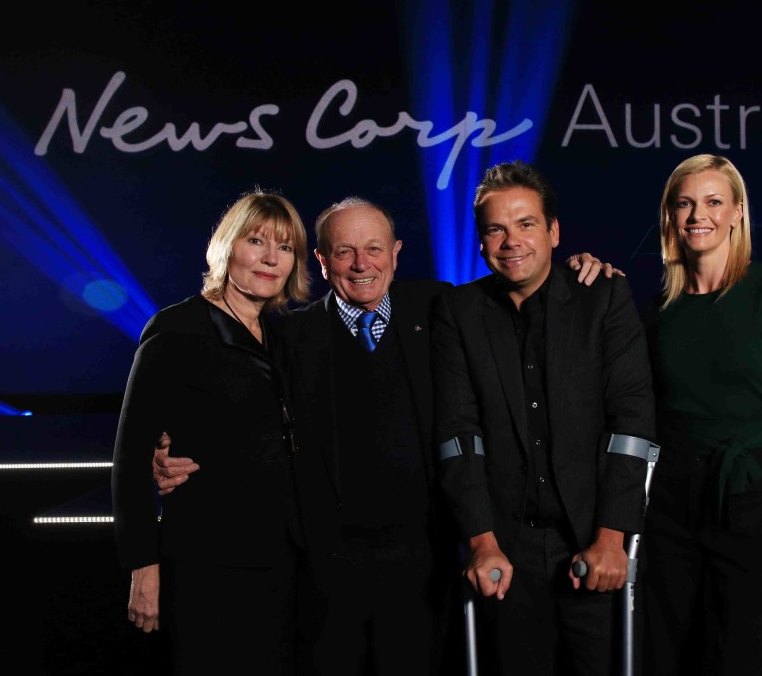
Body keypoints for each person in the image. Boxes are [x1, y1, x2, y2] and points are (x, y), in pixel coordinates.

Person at [152, 194, 620, 676]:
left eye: (374, 249)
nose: (361, 265)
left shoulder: (442, 307)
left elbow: (520, 281)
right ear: (321, 259)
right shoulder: (288, 335)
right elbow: (244, 413)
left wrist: (578, 271)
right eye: (344, 252)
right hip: (326, 568)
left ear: (396, 253)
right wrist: (174, 447)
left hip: (425, 561)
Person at [431, 159, 657, 676]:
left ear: (554, 231)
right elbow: (457, 434)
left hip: (592, 539)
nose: (512, 241)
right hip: (503, 546)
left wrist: (612, 536)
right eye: (496, 229)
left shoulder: (603, 297)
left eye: (526, 224)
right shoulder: (458, 311)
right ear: (481, 241)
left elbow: (633, 423)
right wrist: (481, 542)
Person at [639, 154, 762, 675]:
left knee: (738, 658)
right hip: (670, 507)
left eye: (714, 201)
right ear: (671, 216)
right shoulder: (658, 309)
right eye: (686, 203)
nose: (699, 215)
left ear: (738, 212)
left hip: (749, 500)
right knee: (666, 654)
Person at [110, 189, 311, 675]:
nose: (270, 258)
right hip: (207, 561)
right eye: (256, 241)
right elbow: (132, 454)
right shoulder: (176, 330)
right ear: (226, 246)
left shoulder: (284, 334)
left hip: (283, 560)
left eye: (284, 247)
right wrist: (143, 567)